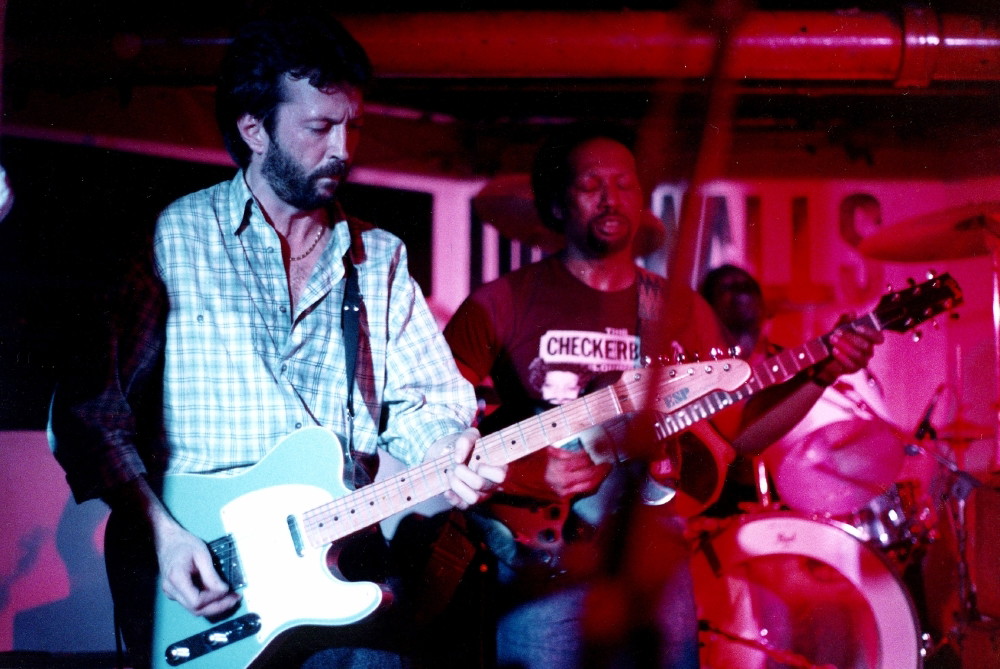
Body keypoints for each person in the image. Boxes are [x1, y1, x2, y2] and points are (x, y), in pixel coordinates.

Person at [48, 11, 504, 669]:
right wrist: (165, 537)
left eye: (354, 125)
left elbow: (428, 403)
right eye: (320, 127)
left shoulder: (379, 257)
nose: (343, 147)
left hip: (339, 569)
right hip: (201, 567)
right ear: (254, 129)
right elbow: (91, 415)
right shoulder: (176, 238)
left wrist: (447, 450)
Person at [443, 125, 882, 669]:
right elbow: (436, 422)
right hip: (543, 556)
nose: (611, 198)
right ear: (556, 204)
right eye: (591, 185)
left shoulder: (681, 310)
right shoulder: (502, 301)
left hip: (654, 558)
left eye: (625, 184)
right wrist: (523, 473)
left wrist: (821, 372)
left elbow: (740, 433)